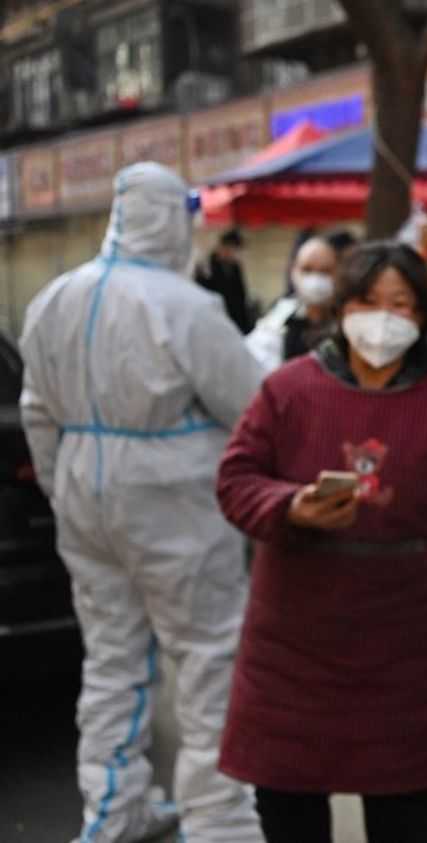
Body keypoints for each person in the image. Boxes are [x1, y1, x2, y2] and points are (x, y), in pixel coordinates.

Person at [215, 241, 427, 843]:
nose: (384, 317)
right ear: (342, 308)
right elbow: (236, 480)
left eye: (401, 303)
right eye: (368, 301)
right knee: (288, 805)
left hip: (406, 648)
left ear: (424, 316)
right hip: (292, 646)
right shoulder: (287, 391)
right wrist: (291, 506)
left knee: (401, 809)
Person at [19, 162, 265, 843]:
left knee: (111, 655)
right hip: (171, 497)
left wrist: (62, 486)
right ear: (171, 218)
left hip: (81, 490)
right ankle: (219, 823)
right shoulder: (183, 304)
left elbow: (38, 412)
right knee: (209, 654)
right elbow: (250, 404)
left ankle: (111, 808)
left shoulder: (53, 298)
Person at [245, 236, 340, 370]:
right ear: (294, 271)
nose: (316, 279)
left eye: (325, 271)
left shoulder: (346, 315)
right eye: (307, 269)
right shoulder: (281, 313)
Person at [195, 229, 253, 333]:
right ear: (226, 247)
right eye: (236, 250)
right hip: (215, 323)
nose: (238, 254)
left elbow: (241, 296)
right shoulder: (208, 267)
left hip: (237, 325)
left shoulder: (235, 268)